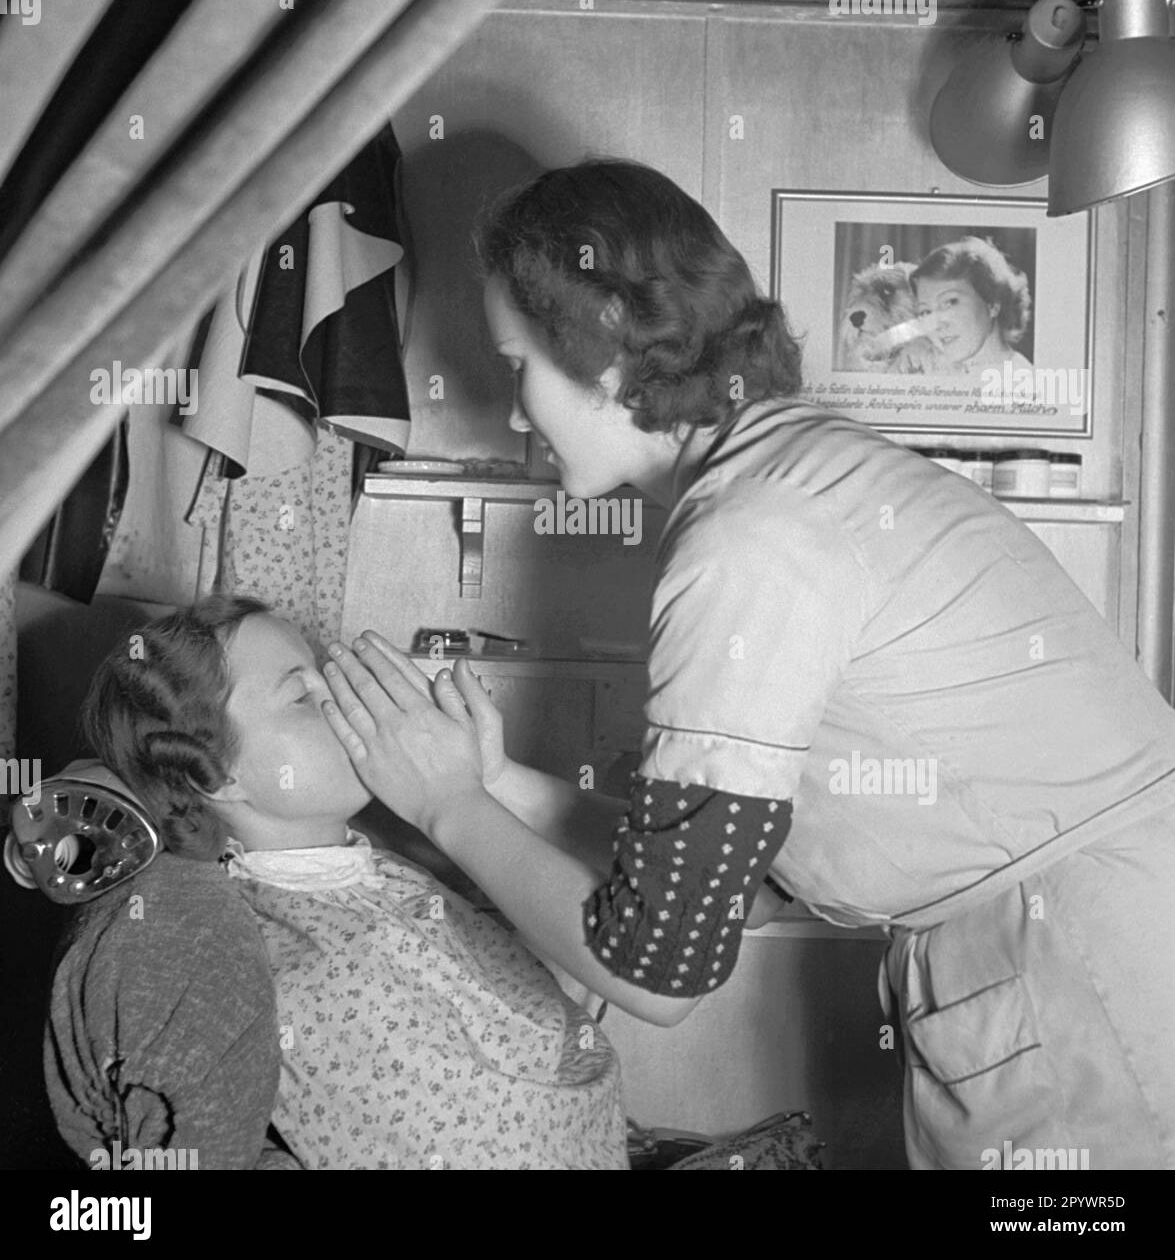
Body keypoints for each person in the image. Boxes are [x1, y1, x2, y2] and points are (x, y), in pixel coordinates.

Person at [319, 158, 1175, 1171]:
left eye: (516, 366)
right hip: (1069, 940)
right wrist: (496, 780)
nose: (513, 410)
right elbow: (726, 879)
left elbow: (660, 973)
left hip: (1077, 969)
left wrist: (447, 806)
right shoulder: (786, 470)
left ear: (598, 352)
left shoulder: (745, 543)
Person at [53, 595, 632, 1170]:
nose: (347, 703)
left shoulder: (380, 868)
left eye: (330, 677)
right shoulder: (296, 966)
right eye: (304, 697)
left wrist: (492, 781)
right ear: (220, 777)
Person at [894, 234, 1033, 376]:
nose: (936, 325)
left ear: (992, 304)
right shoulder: (935, 371)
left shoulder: (1022, 378)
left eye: (950, 302)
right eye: (925, 312)